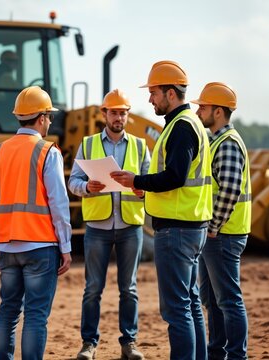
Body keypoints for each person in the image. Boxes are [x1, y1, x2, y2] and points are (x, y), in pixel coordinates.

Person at [111, 61, 213, 360]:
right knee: (190, 303)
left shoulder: (181, 128)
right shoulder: (188, 124)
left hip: (178, 229)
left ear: (170, 93)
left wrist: (137, 180)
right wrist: (145, 186)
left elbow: (176, 176)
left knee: (176, 308)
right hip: (192, 225)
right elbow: (178, 177)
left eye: (154, 92)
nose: (150, 99)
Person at [0, 86, 72, 360]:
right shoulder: (47, 152)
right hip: (40, 246)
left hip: (8, 247)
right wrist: (65, 246)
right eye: (49, 117)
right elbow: (58, 202)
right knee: (35, 315)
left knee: (7, 310)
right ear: (41, 117)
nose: (50, 122)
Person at [68, 89, 150, 360]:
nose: (119, 117)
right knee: (93, 288)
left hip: (130, 226)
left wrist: (141, 189)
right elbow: (73, 182)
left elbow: (150, 182)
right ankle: (89, 343)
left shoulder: (139, 145)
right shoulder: (89, 143)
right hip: (98, 227)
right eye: (114, 112)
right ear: (104, 114)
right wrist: (87, 187)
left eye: (123, 112)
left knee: (129, 288)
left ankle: (129, 343)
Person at [191, 82, 251, 360]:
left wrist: (213, 227)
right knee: (212, 300)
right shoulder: (215, 141)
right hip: (216, 234)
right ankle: (216, 352)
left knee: (228, 300)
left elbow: (229, 190)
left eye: (202, 107)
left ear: (217, 111)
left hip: (223, 234)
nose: (198, 110)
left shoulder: (227, 144)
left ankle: (236, 355)